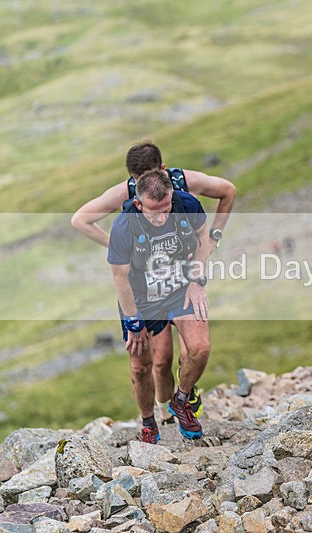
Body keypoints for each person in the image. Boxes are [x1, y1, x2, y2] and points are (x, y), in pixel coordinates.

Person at [72, 142, 235, 423]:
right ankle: (165, 414)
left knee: (194, 350)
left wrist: (213, 239)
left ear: (163, 171)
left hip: (183, 276)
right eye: (138, 182)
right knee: (160, 361)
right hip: (148, 287)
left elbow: (227, 191)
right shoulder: (126, 193)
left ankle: (186, 394)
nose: (145, 184)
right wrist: (120, 248)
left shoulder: (186, 183)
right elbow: (80, 219)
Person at [108, 169, 212, 443]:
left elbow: (204, 240)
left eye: (166, 209)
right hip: (142, 300)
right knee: (141, 365)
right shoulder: (124, 226)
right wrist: (133, 320)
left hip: (180, 289)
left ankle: (181, 399)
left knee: (200, 349)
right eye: (154, 213)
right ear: (139, 204)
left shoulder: (185, 204)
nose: (162, 218)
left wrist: (197, 281)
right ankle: (148, 423)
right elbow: (119, 276)